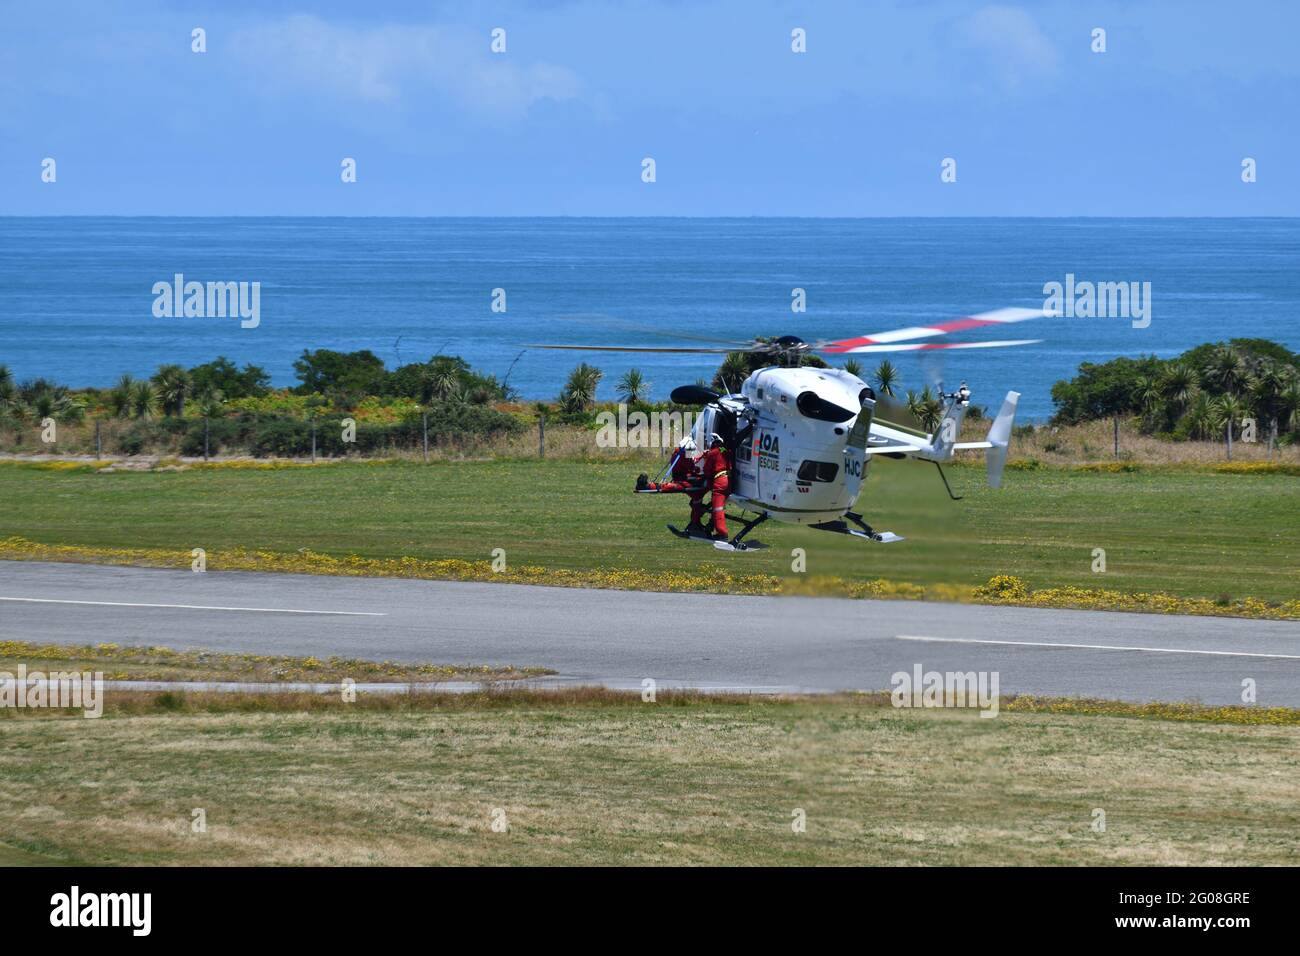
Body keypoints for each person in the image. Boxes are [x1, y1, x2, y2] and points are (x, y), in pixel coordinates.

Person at [636, 438, 710, 535]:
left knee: (697, 498)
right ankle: (646, 486)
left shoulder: (678, 452)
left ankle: (696, 522)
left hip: (683, 476)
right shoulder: (683, 455)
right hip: (683, 478)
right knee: (671, 487)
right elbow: (693, 467)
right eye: (690, 451)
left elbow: (692, 461)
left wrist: (701, 456)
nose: (691, 453)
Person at [698, 432, 732, 540]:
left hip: (720, 481)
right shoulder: (724, 450)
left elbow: (707, 469)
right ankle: (710, 527)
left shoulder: (713, 453)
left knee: (718, 508)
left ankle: (722, 533)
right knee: (717, 505)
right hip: (728, 480)